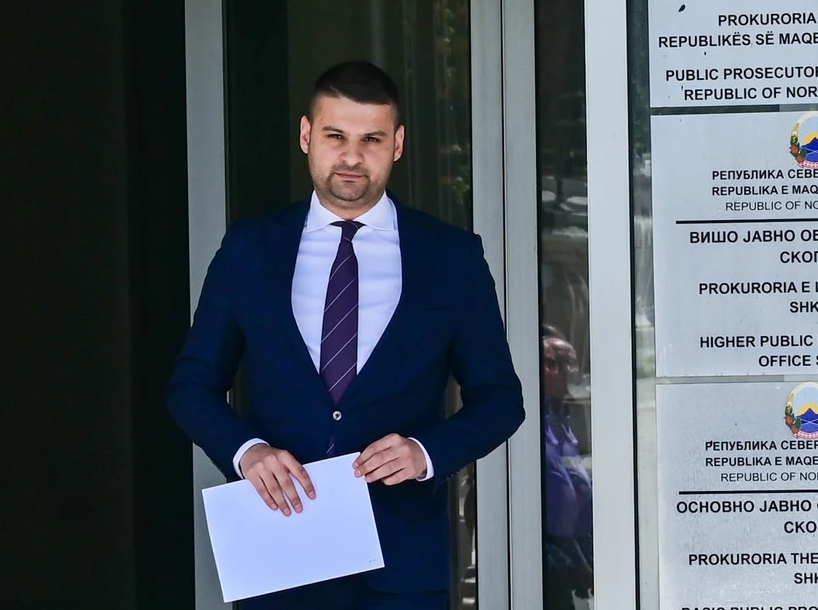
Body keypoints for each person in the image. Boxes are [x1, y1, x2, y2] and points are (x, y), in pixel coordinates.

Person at [167, 61, 526, 609]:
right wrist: (247, 452)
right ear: (306, 136)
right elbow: (192, 386)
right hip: (276, 551)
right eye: (335, 136)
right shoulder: (250, 249)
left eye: (371, 140)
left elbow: (501, 399)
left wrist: (426, 452)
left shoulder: (451, 256)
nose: (352, 157)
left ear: (397, 144)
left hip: (401, 563)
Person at [540, 331, 594, 609]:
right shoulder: (535, 421)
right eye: (552, 363)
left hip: (576, 547)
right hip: (551, 551)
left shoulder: (562, 418)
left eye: (571, 363)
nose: (565, 372)